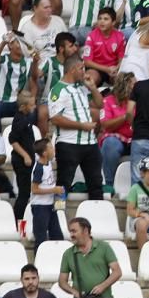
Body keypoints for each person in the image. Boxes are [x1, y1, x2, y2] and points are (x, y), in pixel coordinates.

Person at [50, 55, 104, 201]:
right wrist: (81, 126)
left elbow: (100, 104)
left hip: (90, 144)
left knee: (96, 185)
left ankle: (95, 220)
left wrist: (93, 88)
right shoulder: (58, 90)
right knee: (63, 185)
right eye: (82, 68)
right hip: (69, 144)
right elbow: (55, 118)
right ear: (72, 70)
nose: (84, 72)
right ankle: (58, 216)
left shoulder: (82, 87)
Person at [58, 217, 121, 298]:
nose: (71, 235)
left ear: (86, 230)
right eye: (70, 231)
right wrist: (74, 292)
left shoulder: (104, 247)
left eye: (74, 231)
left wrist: (102, 286)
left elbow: (117, 272)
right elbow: (62, 281)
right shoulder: (68, 254)